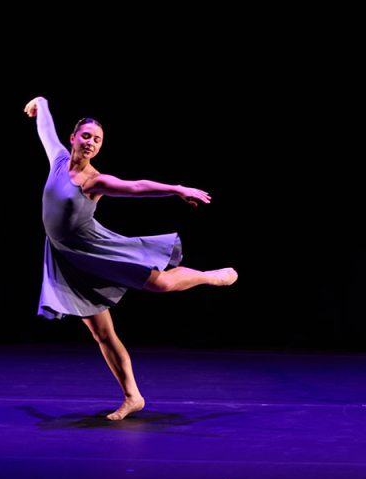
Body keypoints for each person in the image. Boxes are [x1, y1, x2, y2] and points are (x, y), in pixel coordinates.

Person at [24, 96, 238, 420]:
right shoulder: (57, 159)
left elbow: (136, 186)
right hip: (68, 259)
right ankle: (133, 396)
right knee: (102, 334)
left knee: (161, 284)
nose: (91, 143)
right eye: (86, 136)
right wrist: (40, 103)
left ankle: (211, 276)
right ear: (73, 138)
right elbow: (46, 129)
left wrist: (177, 188)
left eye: (97, 139)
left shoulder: (94, 181)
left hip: (95, 249)